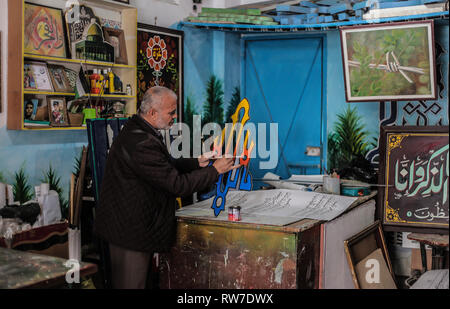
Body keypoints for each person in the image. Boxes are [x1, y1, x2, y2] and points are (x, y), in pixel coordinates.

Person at [94, 86, 239, 289]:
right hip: (129, 233)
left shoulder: (141, 129)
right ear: (153, 113)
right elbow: (176, 185)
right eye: (171, 112)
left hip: (129, 227)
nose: (175, 116)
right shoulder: (141, 142)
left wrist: (198, 162)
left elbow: (164, 165)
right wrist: (215, 170)